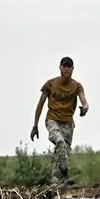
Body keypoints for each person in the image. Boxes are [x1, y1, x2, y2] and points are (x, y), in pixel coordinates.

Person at [30, 56, 89, 185]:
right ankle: (66, 173)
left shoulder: (77, 86)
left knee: (63, 154)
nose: (66, 69)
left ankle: (55, 184)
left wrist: (85, 108)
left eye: (69, 67)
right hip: (53, 120)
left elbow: (84, 100)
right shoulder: (50, 84)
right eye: (64, 66)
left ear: (72, 69)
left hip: (68, 123)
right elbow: (40, 104)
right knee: (60, 142)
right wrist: (35, 126)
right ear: (60, 68)